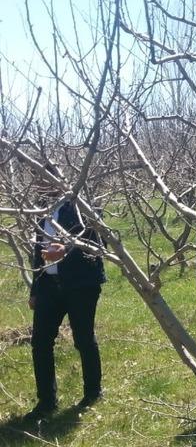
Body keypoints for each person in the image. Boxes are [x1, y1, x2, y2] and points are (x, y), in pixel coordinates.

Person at [26, 164, 106, 419]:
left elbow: (96, 243)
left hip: (81, 283)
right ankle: (46, 402)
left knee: (83, 338)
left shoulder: (81, 207)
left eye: (51, 178)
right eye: (42, 179)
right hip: (49, 286)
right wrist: (35, 288)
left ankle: (92, 393)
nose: (46, 184)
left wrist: (66, 251)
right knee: (40, 342)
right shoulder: (41, 213)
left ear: (62, 181)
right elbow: (37, 254)